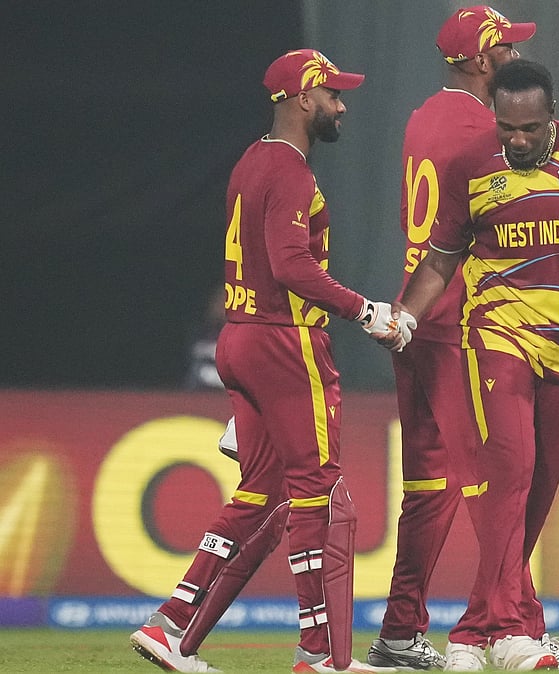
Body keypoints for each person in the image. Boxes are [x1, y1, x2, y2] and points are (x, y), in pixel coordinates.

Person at [129, 49, 404, 674]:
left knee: (259, 491)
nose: (341, 107)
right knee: (318, 494)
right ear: (304, 98)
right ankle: (319, 657)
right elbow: (291, 266)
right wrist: (367, 312)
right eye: (333, 95)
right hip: (287, 342)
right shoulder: (293, 174)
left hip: (241, 337)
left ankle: (169, 623)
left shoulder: (251, 162)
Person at [386, 59, 559, 671]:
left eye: (529, 129)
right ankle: (508, 634)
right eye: (506, 127)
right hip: (496, 334)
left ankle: (476, 634)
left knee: (538, 490)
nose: (516, 141)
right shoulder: (470, 165)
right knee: (510, 470)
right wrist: (405, 317)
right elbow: (440, 259)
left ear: (552, 117)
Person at [367, 7, 538, 672]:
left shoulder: (421, 117)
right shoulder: (481, 124)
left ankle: (401, 632)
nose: (512, 63)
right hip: (462, 319)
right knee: (498, 479)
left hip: (418, 315)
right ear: (476, 60)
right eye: (503, 52)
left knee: (428, 485)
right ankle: (505, 631)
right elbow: (503, 217)